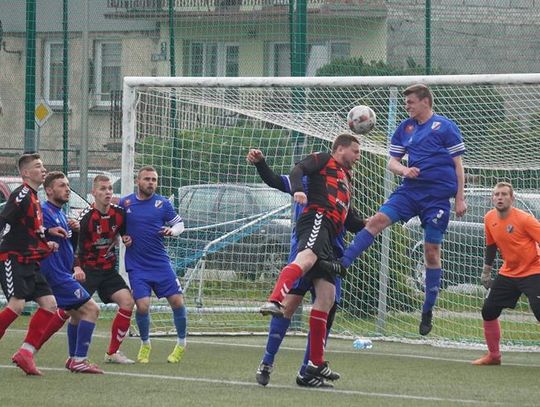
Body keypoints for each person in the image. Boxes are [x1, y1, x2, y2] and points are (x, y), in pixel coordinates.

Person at [326, 84, 467, 336]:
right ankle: (342, 263)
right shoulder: (406, 128)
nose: (407, 106)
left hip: (436, 198)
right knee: (377, 220)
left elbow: (458, 165)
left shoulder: (445, 127)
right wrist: (404, 170)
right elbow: (392, 161)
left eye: (410, 102)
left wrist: (460, 199)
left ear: (425, 102)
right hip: (410, 192)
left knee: (431, 252)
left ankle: (427, 309)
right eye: (405, 103)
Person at [248, 149, 365, 388]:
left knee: (327, 305)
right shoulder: (306, 180)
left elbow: (352, 221)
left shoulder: (341, 186)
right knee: (289, 306)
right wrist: (261, 163)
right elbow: (275, 179)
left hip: (332, 251)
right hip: (306, 246)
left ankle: (308, 370)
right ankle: (267, 362)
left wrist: (378, 221)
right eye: (355, 151)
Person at [0, 153, 62, 376]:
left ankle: (25, 353)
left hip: (30, 260)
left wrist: (47, 236)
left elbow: (28, 229)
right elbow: (5, 220)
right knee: (16, 306)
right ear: (26, 173)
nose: (43, 169)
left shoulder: (34, 197)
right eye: (38, 166)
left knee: (50, 304)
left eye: (43, 165)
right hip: (13, 258)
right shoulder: (23, 193)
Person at [119, 166, 187, 364]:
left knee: (177, 302)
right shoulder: (126, 203)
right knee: (142, 306)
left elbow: (179, 224)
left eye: (154, 180)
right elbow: (116, 226)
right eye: (147, 179)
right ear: (138, 181)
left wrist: (172, 231)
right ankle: (145, 343)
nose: (151, 183)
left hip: (160, 263)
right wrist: (123, 237)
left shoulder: (163, 204)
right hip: (137, 265)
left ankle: (181, 344)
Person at [39, 171, 104, 373]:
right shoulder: (44, 211)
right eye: (61, 186)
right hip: (55, 273)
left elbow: (65, 244)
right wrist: (48, 232)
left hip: (63, 273)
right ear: (49, 190)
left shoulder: (59, 213)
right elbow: (34, 232)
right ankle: (79, 359)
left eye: (67, 185)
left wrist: (73, 230)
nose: (67, 189)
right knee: (92, 310)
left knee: (75, 314)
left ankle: (73, 359)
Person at [472, 182, 540, 365]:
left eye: (504, 194)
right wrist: (486, 272)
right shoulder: (489, 218)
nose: (500, 197)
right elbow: (491, 245)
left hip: (534, 270)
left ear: (512, 198)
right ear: (492, 198)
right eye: (496, 194)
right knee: (488, 311)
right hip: (508, 272)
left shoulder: (525, 219)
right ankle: (494, 356)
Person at [74, 174, 135, 364]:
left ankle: (112, 353)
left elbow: (124, 233)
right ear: (93, 193)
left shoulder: (119, 213)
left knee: (127, 302)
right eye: (102, 189)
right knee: (69, 311)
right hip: (87, 270)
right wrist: (76, 267)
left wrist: (127, 238)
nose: (107, 192)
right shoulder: (85, 218)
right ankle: (33, 347)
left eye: (109, 188)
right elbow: (72, 244)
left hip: (108, 271)